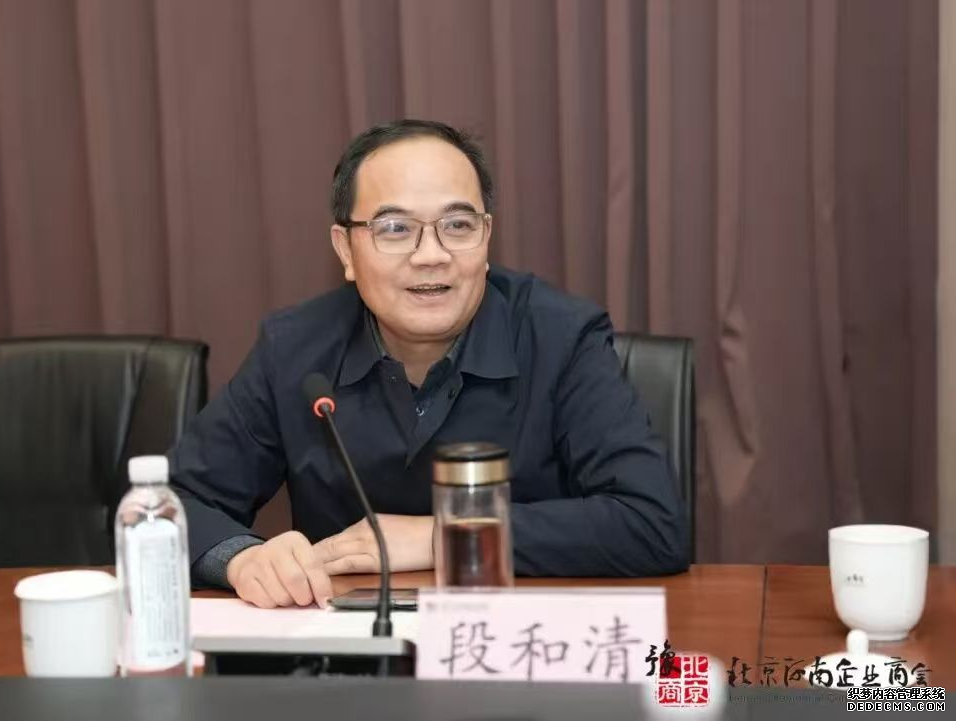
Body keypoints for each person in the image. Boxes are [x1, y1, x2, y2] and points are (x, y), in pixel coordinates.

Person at [169, 119, 688, 609]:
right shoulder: (294, 349)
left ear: (486, 237)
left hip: (519, 646)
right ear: (345, 250)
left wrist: (449, 534)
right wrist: (240, 558)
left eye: (457, 225)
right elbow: (169, 504)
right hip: (350, 650)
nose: (431, 255)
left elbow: (652, 522)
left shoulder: (561, 337)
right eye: (396, 228)